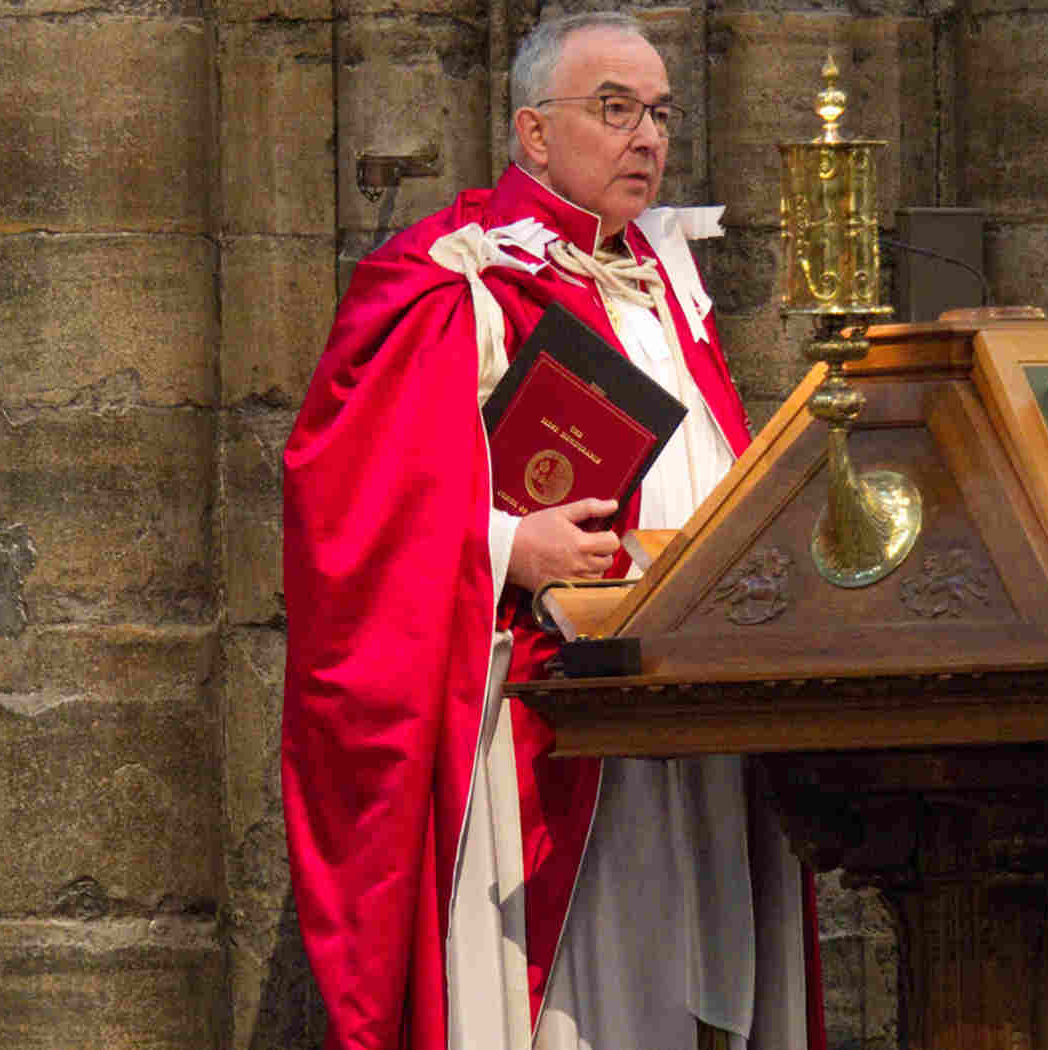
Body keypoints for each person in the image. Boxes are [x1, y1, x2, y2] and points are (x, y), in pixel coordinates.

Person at [281, 12, 823, 1050]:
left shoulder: (667, 277)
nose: (647, 138)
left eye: (658, 113)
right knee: (595, 999)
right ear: (533, 134)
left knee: (706, 974)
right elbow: (344, 505)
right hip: (558, 720)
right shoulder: (456, 276)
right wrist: (503, 549)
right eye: (613, 110)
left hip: (700, 698)